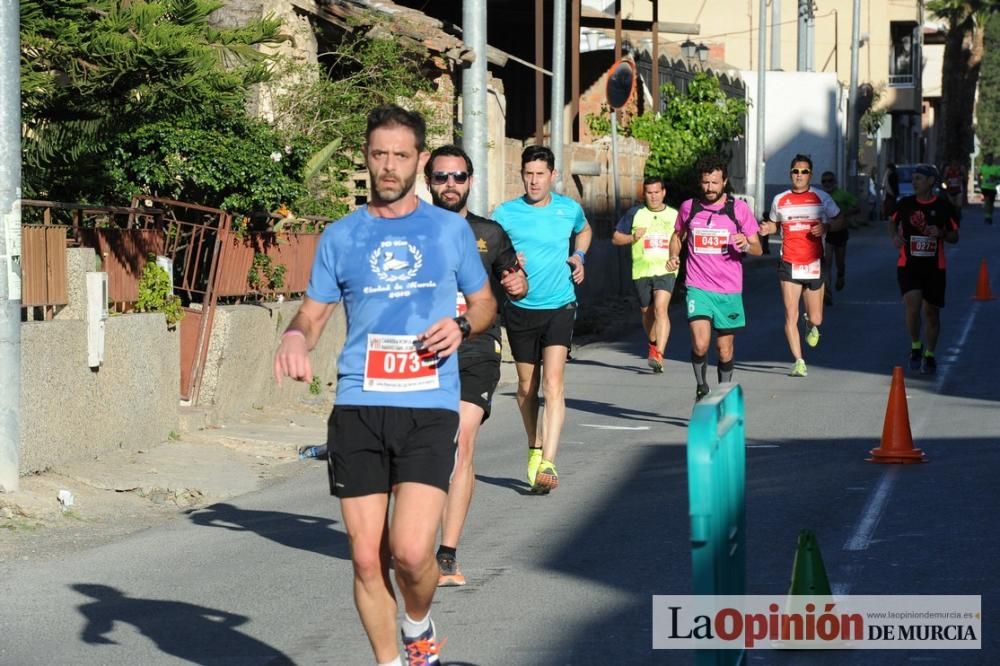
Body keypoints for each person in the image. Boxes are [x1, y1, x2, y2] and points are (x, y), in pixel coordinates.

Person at [273, 105, 496, 666]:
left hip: (428, 402)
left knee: (412, 552)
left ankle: (417, 625)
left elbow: (486, 301)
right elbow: (314, 314)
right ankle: (391, 662)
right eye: (379, 154)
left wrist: (463, 323)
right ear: (366, 158)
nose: (389, 165)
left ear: (420, 159)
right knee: (367, 559)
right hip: (359, 404)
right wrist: (295, 337)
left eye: (401, 155)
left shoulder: (449, 230)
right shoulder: (341, 235)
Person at [424, 145, 527, 587]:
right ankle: (413, 541)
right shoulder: (408, 230)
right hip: (419, 353)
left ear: (470, 181)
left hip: (476, 350)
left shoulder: (491, 233)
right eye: (441, 177)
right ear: (428, 181)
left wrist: (519, 285)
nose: (450, 184)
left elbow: (515, 283)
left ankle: (446, 554)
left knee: (462, 442)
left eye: (458, 177)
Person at [492, 145, 592, 493]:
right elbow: (490, 251)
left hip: (560, 305)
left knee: (553, 384)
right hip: (520, 309)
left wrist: (579, 255)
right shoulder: (505, 213)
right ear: (522, 175)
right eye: (528, 174)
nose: (533, 181)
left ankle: (548, 461)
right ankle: (534, 445)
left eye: (540, 175)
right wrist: (506, 260)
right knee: (526, 388)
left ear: (552, 176)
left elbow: (585, 230)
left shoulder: (569, 209)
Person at [666, 154, 762, 401]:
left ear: (725, 181)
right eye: (706, 182)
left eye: (715, 183)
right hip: (697, 287)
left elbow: (758, 248)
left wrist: (746, 245)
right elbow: (678, 236)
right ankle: (701, 387)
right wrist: (674, 255)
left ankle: (722, 394)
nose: (710, 188)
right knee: (700, 343)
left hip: (729, 290)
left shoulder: (738, 210)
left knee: (724, 349)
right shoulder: (689, 207)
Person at [759, 155, 841, 378]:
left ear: (810, 175)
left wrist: (826, 227)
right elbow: (776, 225)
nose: (799, 175)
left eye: (804, 172)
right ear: (790, 173)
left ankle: (810, 324)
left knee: (817, 318)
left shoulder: (821, 198)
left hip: (814, 263)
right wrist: (768, 229)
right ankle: (799, 360)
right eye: (795, 171)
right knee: (790, 313)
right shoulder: (780, 199)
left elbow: (840, 220)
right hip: (789, 263)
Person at [890, 164, 959, 374]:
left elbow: (955, 236)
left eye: (919, 178)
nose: (914, 181)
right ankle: (915, 346)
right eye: (914, 178)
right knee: (912, 307)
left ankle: (930, 354)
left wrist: (941, 233)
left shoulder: (944, 206)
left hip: (934, 268)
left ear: (931, 181)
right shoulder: (905, 204)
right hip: (908, 265)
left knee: (931, 313)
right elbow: (891, 222)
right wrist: (895, 236)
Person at [612, 175, 679, 373]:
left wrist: (675, 256)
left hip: (666, 270)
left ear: (664, 192)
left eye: (657, 192)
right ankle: (652, 343)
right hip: (641, 271)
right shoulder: (635, 213)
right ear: (644, 194)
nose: (653, 196)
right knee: (646, 312)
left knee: (660, 309)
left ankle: (659, 353)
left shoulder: (674, 215)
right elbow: (615, 238)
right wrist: (632, 237)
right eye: (649, 193)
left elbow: (681, 238)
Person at [818, 171, 860, 300]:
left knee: (840, 262)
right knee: (827, 262)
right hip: (828, 232)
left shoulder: (843, 194)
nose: (827, 183)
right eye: (824, 181)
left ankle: (841, 275)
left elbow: (857, 207)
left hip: (841, 231)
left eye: (830, 180)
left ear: (835, 182)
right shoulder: (820, 196)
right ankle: (827, 291)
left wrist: (844, 213)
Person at [979, 156, 999, 225]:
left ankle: (990, 216)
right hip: (985, 187)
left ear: (992, 160)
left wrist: (994, 178)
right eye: (987, 159)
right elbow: (979, 175)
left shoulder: (996, 168)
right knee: (987, 202)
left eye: (990, 159)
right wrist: (979, 184)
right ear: (986, 160)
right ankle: (987, 217)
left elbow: (999, 177)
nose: (988, 161)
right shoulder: (983, 167)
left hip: (992, 188)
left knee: (991, 203)